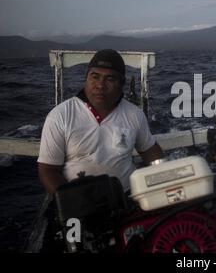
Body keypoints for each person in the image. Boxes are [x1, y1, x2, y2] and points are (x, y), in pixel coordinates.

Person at [37, 49, 163, 194]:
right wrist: (70, 203)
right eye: (95, 77)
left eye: (110, 79)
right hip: (78, 201)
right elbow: (48, 170)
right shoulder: (60, 115)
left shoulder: (134, 114)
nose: (100, 85)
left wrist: (164, 177)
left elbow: (151, 153)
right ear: (86, 79)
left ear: (121, 84)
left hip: (126, 198)